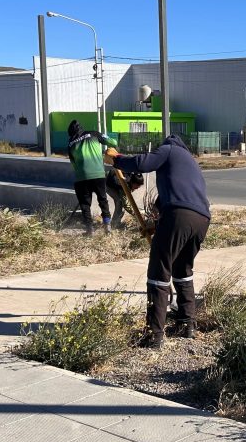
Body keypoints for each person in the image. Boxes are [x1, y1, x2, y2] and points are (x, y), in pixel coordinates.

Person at [106, 135, 211, 348]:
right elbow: (172, 201)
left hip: (179, 216)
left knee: (158, 273)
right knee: (182, 270)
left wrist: (116, 159)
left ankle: (154, 335)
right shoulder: (189, 162)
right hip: (201, 219)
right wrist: (154, 226)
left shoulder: (170, 150)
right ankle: (187, 324)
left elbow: (142, 163)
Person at [67, 120, 117, 235]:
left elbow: (74, 165)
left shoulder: (70, 144)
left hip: (82, 177)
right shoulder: (94, 134)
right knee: (102, 199)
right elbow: (113, 142)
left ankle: (89, 230)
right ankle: (107, 226)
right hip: (99, 174)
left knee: (85, 204)